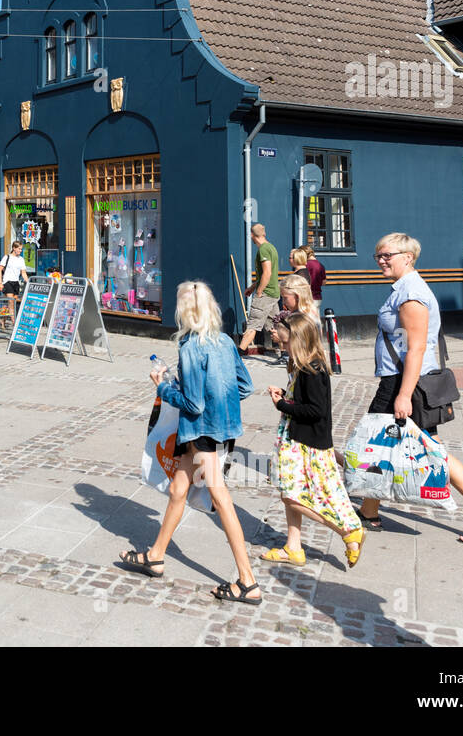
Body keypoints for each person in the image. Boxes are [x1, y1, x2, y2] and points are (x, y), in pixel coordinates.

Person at [119, 281, 262, 605]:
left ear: (185, 311)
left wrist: (163, 388)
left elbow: (194, 404)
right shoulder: (225, 341)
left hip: (202, 432)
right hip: (217, 429)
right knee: (178, 490)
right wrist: (219, 403)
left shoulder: (191, 346)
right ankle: (155, 555)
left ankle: (248, 581)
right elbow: (245, 386)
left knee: (221, 500)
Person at [358, 232, 463, 544]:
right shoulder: (404, 288)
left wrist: (402, 394)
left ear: (407, 257)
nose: (381, 260)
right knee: (384, 445)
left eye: (387, 255)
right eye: (378, 256)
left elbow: (417, 349)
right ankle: (370, 511)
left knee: (404, 447)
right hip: (399, 379)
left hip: (404, 382)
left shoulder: (411, 294)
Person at [262, 315, 364, 568]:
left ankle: (348, 531)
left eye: (282, 335)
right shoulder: (301, 364)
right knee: (293, 491)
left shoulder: (312, 368)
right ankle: (293, 547)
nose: (276, 336)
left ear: (295, 336)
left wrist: (282, 404)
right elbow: (305, 402)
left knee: (292, 496)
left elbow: (316, 410)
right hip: (298, 438)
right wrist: (287, 395)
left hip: (308, 443)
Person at [239, 224, 279, 357]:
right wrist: (253, 287)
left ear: (251, 235)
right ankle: (284, 353)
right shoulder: (271, 247)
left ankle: (238, 354)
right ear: (264, 233)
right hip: (273, 293)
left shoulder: (263, 250)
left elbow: (267, 273)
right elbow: (266, 273)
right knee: (275, 325)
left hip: (266, 294)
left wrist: (259, 292)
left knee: (253, 324)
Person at [0, 240, 28, 315]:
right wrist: (0, 283)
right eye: (19, 249)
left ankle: (3, 321)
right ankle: (15, 324)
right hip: (7, 282)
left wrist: (29, 282)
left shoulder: (21, 259)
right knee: (11, 302)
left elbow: (23, 273)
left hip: (16, 282)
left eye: (21, 249)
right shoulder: (7, 257)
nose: (20, 251)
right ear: (14, 248)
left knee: (12, 303)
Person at [302, 245, 326, 315]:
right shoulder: (320, 265)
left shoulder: (305, 265)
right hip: (318, 297)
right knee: (315, 319)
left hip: (307, 298)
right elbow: (324, 282)